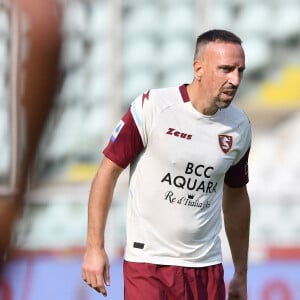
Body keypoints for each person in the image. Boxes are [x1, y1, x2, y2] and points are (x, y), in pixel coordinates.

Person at [82, 29, 251, 300]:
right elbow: (107, 172)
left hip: (206, 269)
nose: (235, 79)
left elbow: (237, 197)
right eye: (226, 69)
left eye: (240, 70)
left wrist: (241, 273)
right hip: (150, 264)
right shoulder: (152, 107)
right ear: (198, 68)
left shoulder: (239, 126)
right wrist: (94, 247)